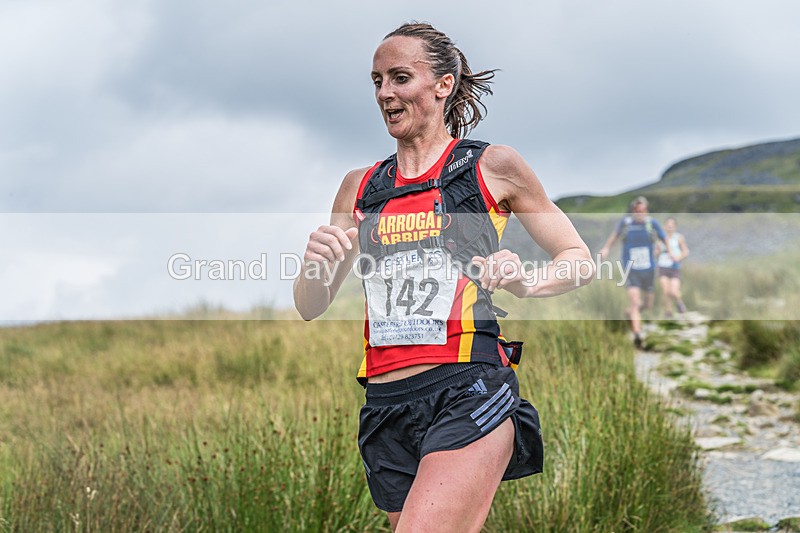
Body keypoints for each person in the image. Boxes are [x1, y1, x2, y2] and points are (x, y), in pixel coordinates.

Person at [293, 22, 593, 532]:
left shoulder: (490, 166)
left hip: (466, 387)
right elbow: (310, 304)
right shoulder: (359, 186)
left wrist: (526, 282)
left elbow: (577, 259)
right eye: (376, 81)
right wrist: (314, 265)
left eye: (400, 77)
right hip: (385, 404)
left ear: (443, 85)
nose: (385, 93)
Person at [599, 196, 667, 349]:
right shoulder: (626, 224)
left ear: (646, 211)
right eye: (636, 210)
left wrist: (668, 250)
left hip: (648, 269)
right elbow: (614, 237)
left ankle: (630, 313)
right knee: (636, 302)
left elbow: (664, 238)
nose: (639, 213)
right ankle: (637, 334)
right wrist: (606, 248)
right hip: (630, 269)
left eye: (642, 210)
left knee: (647, 304)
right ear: (632, 211)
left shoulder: (652, 224)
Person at [656, 216, 689, 318]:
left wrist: (679, 257)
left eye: (672, 225)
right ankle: (668, 311)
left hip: (674, 266)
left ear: (675, 227)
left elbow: (686, 251)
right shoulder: (660, 239)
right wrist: (658, 251)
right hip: (663, 266)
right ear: (665, 226)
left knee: (674, 291)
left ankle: (679, 302)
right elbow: (655, 253)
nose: (670, 227)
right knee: (665, 291)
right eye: (668, 225)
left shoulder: (679, 238)